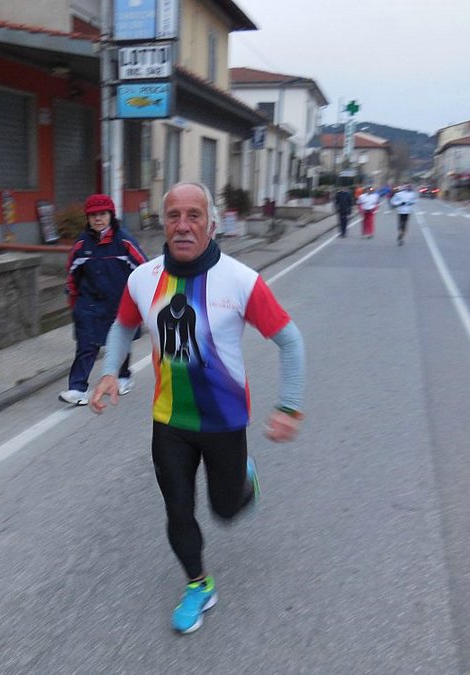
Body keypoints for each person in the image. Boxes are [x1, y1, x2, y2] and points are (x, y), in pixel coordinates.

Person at [89, 182, 306, 634]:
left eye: (194, 215)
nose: (183, 225)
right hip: (170, 420)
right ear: (163, 222)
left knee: (225, 511)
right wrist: (110, 371)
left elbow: (291, 341)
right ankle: (198, 585)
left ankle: (244, 479)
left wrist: (289, 406)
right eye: (174, 215)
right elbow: (123, 326)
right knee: (178, 511)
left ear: (211, 223)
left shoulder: (240, 281)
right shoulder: (142, 279)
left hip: (224, 422)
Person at [58, 193, 147, 405]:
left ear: (110, 215)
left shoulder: (124, 242)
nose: (98, 219)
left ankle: (123, 377)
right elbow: (72, 274)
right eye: (93, 215)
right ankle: (77, 389)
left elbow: (143, 270)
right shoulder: (82, 244)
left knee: (120, 341)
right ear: (88, 219)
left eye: (102, 214)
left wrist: (140, 302)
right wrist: (74, 301)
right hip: (89, 304)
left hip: (119, 302)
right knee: (86, 345)